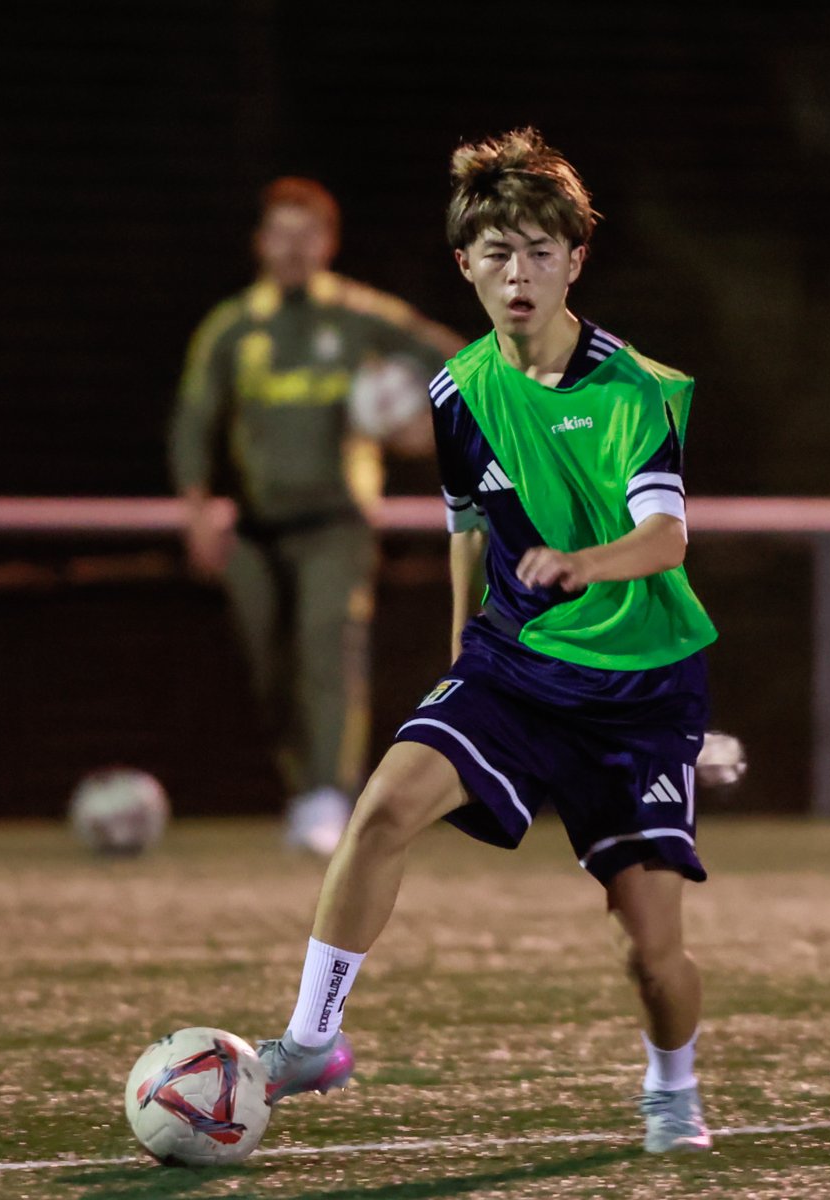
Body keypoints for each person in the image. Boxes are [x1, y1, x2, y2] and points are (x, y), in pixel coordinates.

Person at [257, 129, 720, 1154]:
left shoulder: (632, 389)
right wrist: (465, 651)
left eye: (542, 253)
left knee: (651, 954)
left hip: (637, 690)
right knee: (381, 810)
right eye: (499, 253)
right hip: (513, 670)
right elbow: (468, 523)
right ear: (465, 264)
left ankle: (673, 1082)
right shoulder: (456, 391)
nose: (521, 275)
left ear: (575, 261)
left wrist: (580, 564)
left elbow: (664, 537)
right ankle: (311, 1039)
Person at [169, 177, 463, 856]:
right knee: (269, 665)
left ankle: (332, 797)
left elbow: (464, 362)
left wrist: (430, 427)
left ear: (328, 243)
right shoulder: (234, 327)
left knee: (326, 641)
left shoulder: (361, 316)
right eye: (281, 233)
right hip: (255, 525)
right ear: (260, 242)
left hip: (338, 522)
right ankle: (306, 793)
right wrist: (194, 510)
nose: (294, 248)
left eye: (308, 234)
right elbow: (192, 419)